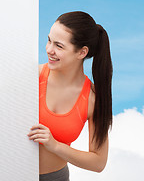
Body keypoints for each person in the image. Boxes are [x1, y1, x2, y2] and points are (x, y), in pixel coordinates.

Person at [27, 11, 113, 181]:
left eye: (59, 46)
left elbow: (98, 162)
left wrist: (55, 145)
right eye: (49, 40)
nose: (49, 50)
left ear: (82, 52)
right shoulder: (31, 77)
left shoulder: (92, 99)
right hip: (9, 172)